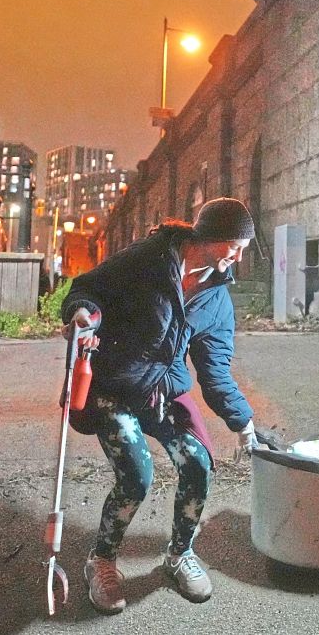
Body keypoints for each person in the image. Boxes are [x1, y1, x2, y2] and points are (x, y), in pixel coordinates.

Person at [61, 197, 259, 614]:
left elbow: (215, 370)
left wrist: (243, 421)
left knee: (197, 462)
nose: (239, 257)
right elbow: (88, 289)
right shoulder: (148, 259)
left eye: (243, 247)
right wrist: (83, 315)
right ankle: (100, 560)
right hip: (115, 383)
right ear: (207, 237)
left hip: (163, 390)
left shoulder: (217, 299)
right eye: (234, 245)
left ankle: (179, 554)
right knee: (136, 474)